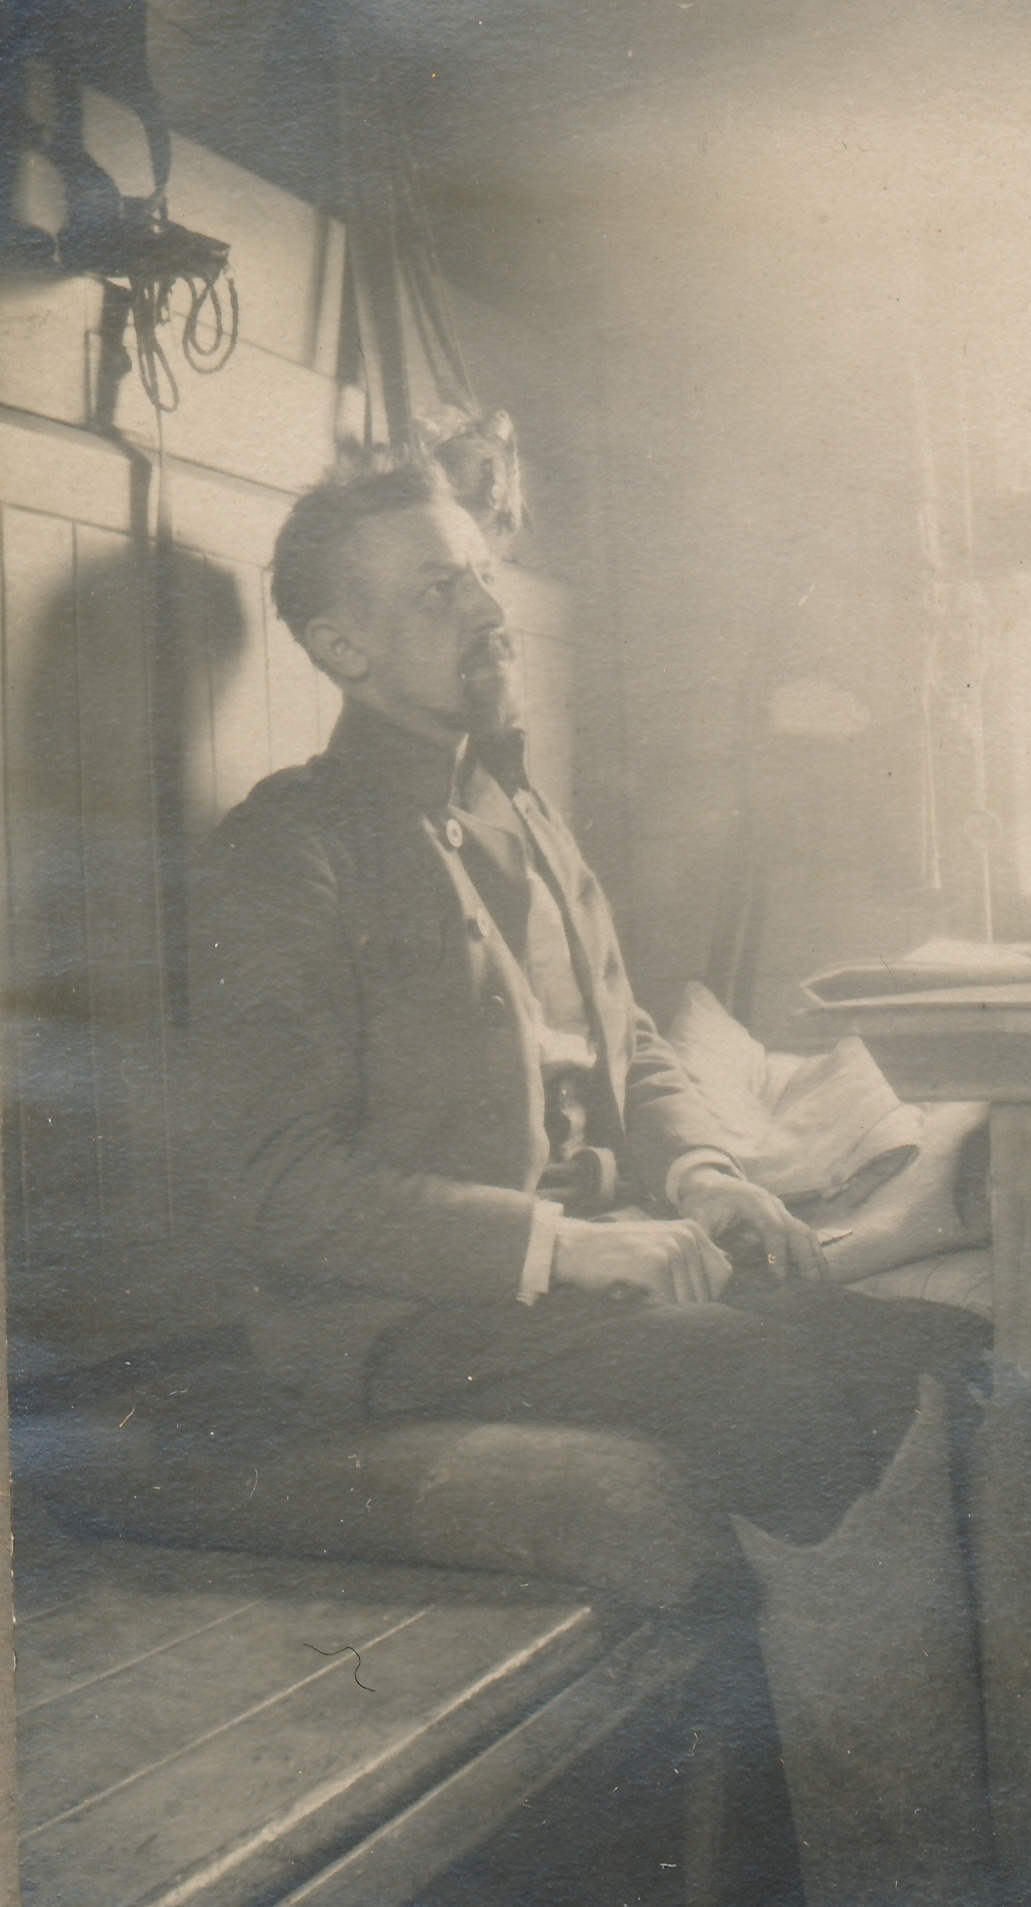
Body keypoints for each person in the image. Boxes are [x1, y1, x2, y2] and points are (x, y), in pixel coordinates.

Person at [189, 451, 986, 1550]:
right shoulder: (287, 849)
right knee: (764, 1381)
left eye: (483, 574)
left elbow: (631, 1042)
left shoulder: (521, 812)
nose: (489, 609)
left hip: (591, 1273)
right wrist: (563, 1246)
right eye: (440, 589)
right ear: (342, 648)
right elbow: (276, 1185)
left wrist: (703, 1172)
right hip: (408, 1320)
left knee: (941, 1356)